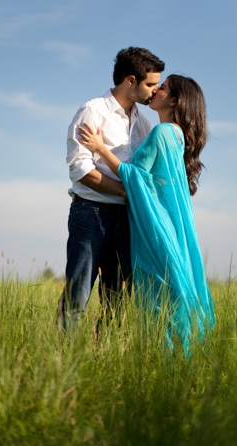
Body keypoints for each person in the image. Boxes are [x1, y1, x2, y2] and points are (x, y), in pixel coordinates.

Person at [78, 74, 216, 353]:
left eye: (162, 88)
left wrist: (100, 148)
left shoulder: (162, 132)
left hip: (155, 226)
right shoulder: (177, 135)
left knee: (158, 292)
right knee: (171, 289)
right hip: (168, 223)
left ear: (174, 100)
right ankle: (177, 356)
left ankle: (169, 356)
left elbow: (137, 178)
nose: (155, 90)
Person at [58, 47, 165, 329]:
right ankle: (66, 365)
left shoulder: (144, 122)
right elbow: (80, 169)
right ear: (131, 81)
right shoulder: (93, 110)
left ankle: (106, 361)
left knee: (117, 302)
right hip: (91, 215)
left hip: (129, 220)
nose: (155, 90)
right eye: (151, 84)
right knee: (77, 297)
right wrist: (125, 190)